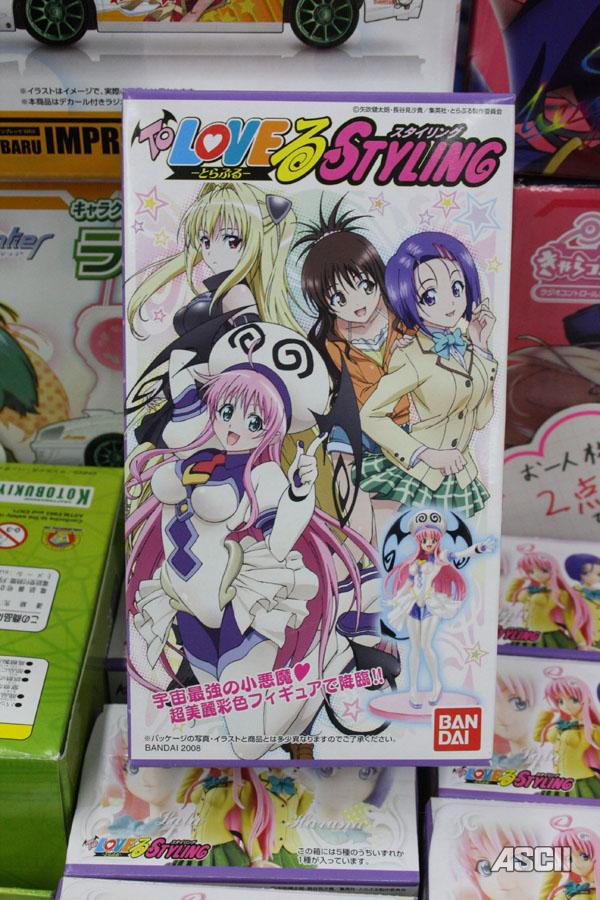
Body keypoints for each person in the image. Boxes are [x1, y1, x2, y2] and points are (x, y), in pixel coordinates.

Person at [126, 325, 376, 759]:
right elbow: (167, 473)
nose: (235, 429)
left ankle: (326, 663)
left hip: (240, 609)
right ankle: (319, 677)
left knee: (247, 746)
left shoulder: (263, 474)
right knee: (240, 729)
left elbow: (280, 538)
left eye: (254, 422)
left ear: (272, 429)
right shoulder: (190, 454)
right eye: (227, 411)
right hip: (188, 607)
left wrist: (299, 492)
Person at [294, 196, 410, 543]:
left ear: (378, 278)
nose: (357, 303)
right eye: (339, 298)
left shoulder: (406, 324)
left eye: (365, 286)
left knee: (387, 509)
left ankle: (376, 560)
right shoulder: (324, 342)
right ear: (324, 302)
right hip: (351, 429)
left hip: (398, 427)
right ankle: (354, 555)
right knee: (353, 499)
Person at [360, 232, 496, 519]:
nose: (450, 304)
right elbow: (369, 415)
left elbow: (482, 419)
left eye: (457, 288)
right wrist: (425, 453)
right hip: (423, 472)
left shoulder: (468, 346)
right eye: (430, 296)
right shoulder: (412, 355)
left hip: (462, 474)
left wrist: (482, 349)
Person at [383, 509, 495, 707]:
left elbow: (461, 554)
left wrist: (478, 548)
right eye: (425, 540)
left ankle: (436, 684)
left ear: (438, 540)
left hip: (431, 605)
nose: (429, 543)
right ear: (419, 541)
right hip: (413, 605)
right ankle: (413, 689)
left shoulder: (441, 556)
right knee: (415, 648)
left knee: (426, 646)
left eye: (433, 540)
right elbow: (408, 584)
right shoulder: (414, 564)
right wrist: (397, 599)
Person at [506, 547, 594, 650]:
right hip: (527, 634)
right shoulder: (529, 590)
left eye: (544, 570)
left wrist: (581, 643)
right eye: (531, 571)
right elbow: (509, 598)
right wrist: (518, 581)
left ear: (553, 572)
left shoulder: (560, 594)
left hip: (548, 635)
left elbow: (569, 619)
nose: (537, 574)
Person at [535, 668, 600, 799]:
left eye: (574, 700)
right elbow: (537, 736)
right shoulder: (560, 725)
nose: (566, 705)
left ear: (585, 701)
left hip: (582, 782)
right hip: (559, 782)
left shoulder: (591, 728)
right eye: (560, 701)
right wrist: (547, 713)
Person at [542, 815, 600, 900]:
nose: (576, 863)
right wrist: (553, 872)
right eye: (568, 859)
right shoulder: (566, 889)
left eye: (584, 856)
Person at [565, 553, 600, 650]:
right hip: (588, 640)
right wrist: (581, 642)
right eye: (586, 573)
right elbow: (570, 619)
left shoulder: (598, 592)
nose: (596, 577)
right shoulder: (573, 593)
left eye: (599, 574)